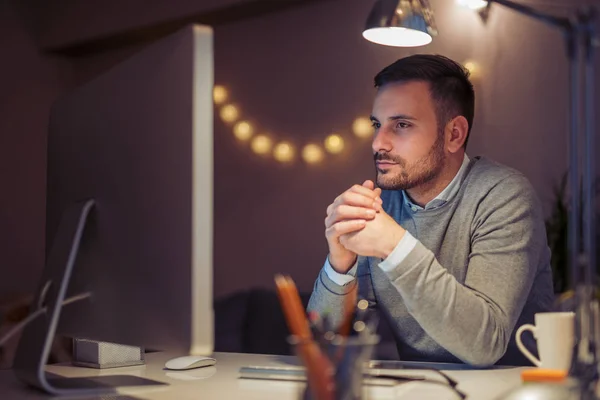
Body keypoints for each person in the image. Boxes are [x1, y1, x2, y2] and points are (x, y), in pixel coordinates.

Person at [307, 54, 554, 367]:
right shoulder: (382, 205)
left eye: (402, 125)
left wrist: (394, 246)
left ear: (454, 135)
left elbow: (485, 345)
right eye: (377, 125)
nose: (377, 143)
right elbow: (320, 349)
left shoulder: (504, 195)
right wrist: (339, 265)